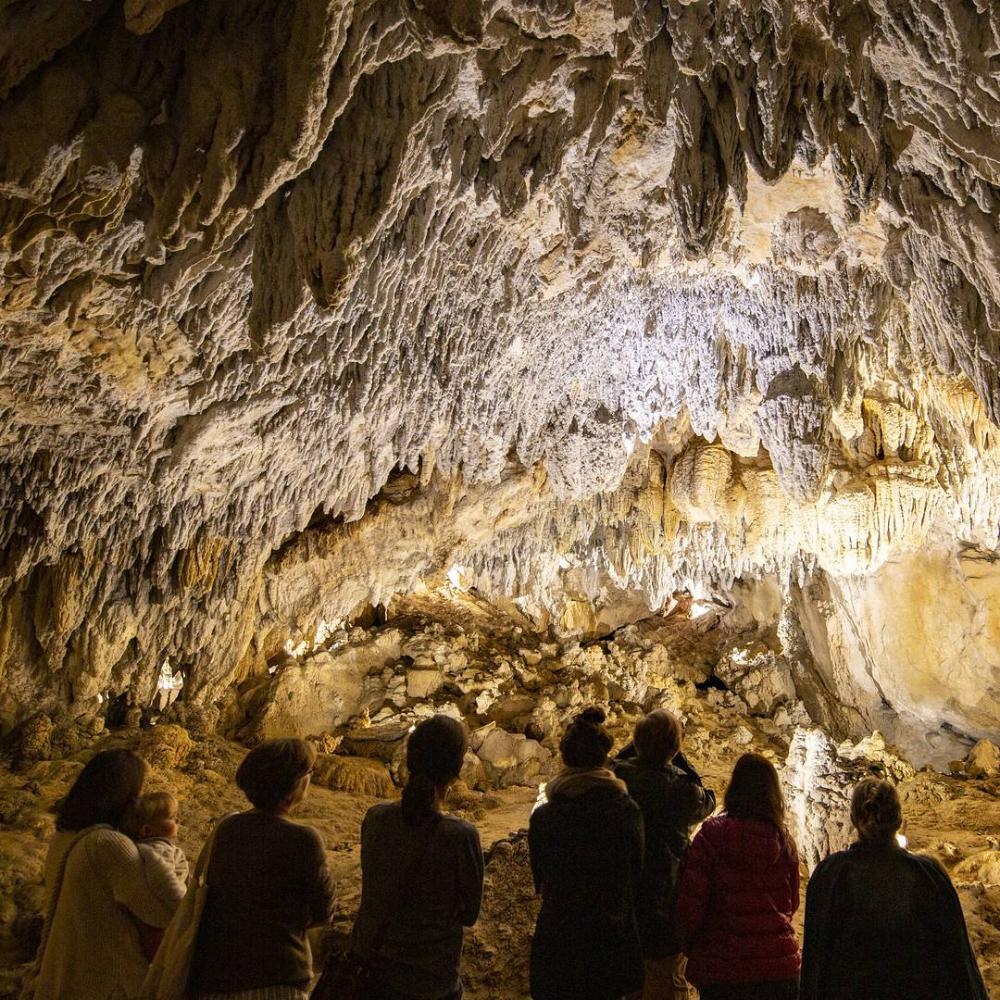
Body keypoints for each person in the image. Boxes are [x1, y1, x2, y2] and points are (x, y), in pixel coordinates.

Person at [800, 778, 988, 1000]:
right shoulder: (928, 875)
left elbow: (816, 959)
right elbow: (958, 961)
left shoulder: (830, 874)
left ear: (853, 819)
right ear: (899, 819)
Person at [31, 748, 184, 1000]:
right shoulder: (109, 845)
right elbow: (163, 910)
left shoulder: (65, 833)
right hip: (103, 979)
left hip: (63, 968)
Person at [189, 738, 335, 999]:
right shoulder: (303, 839)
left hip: (218, 977)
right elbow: (324, 911)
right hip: (276, 978)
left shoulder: (227, 828)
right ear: (298, 782)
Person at [351, 714, 484, 1000]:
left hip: (372, 975)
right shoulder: (460, 836)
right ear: (457, 767)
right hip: (429, 981)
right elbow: (470, 914)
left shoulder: (375, 819)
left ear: (410, 758)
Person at [529, 707, 644, 1000]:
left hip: (559, 944)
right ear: (605, 757)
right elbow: (635, 875)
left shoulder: (545, 817)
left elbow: (540, 881)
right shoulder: (626, 813)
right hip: (609, 943)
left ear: (565, 758)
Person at [674, 753, 800, 1000]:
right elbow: (792, 902)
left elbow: (691, 904)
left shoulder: (712, 835)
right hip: (778, 969)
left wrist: (694, 949)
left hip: (725, 969)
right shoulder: (784, 842)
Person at [613, 709, 716, 999]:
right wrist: (678, 756)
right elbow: (707, 799)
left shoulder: (618, 778)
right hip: (666, 895)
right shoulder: (682, 790)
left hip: (624, 895)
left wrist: (638, 745)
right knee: (670, 978)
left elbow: (616, 761)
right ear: (674, 747)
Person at [123, 790, 189, 959]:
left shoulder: (161, 847)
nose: (177, 821)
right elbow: (164, 881)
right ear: (147, 830)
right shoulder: (157, 850)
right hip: (159, 922)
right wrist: (186, 908)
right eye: (171, 819)